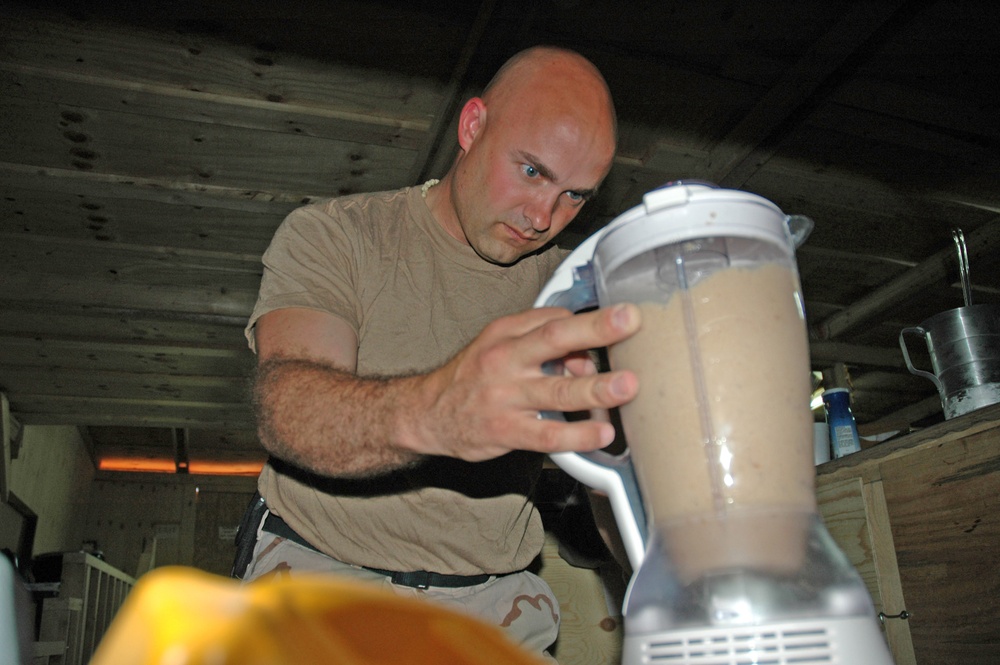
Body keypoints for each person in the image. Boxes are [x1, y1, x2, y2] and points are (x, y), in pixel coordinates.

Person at [235, 45, 640, 656]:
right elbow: (288, 409)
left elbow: (612, 474)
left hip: (495, 605)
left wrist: (664, 565)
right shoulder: (338, 236)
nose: (542, 216)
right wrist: (436, 412)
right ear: (473, 126)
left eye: (575, 196)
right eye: (532, 172)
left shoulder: (580, 295)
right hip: (320, 581)